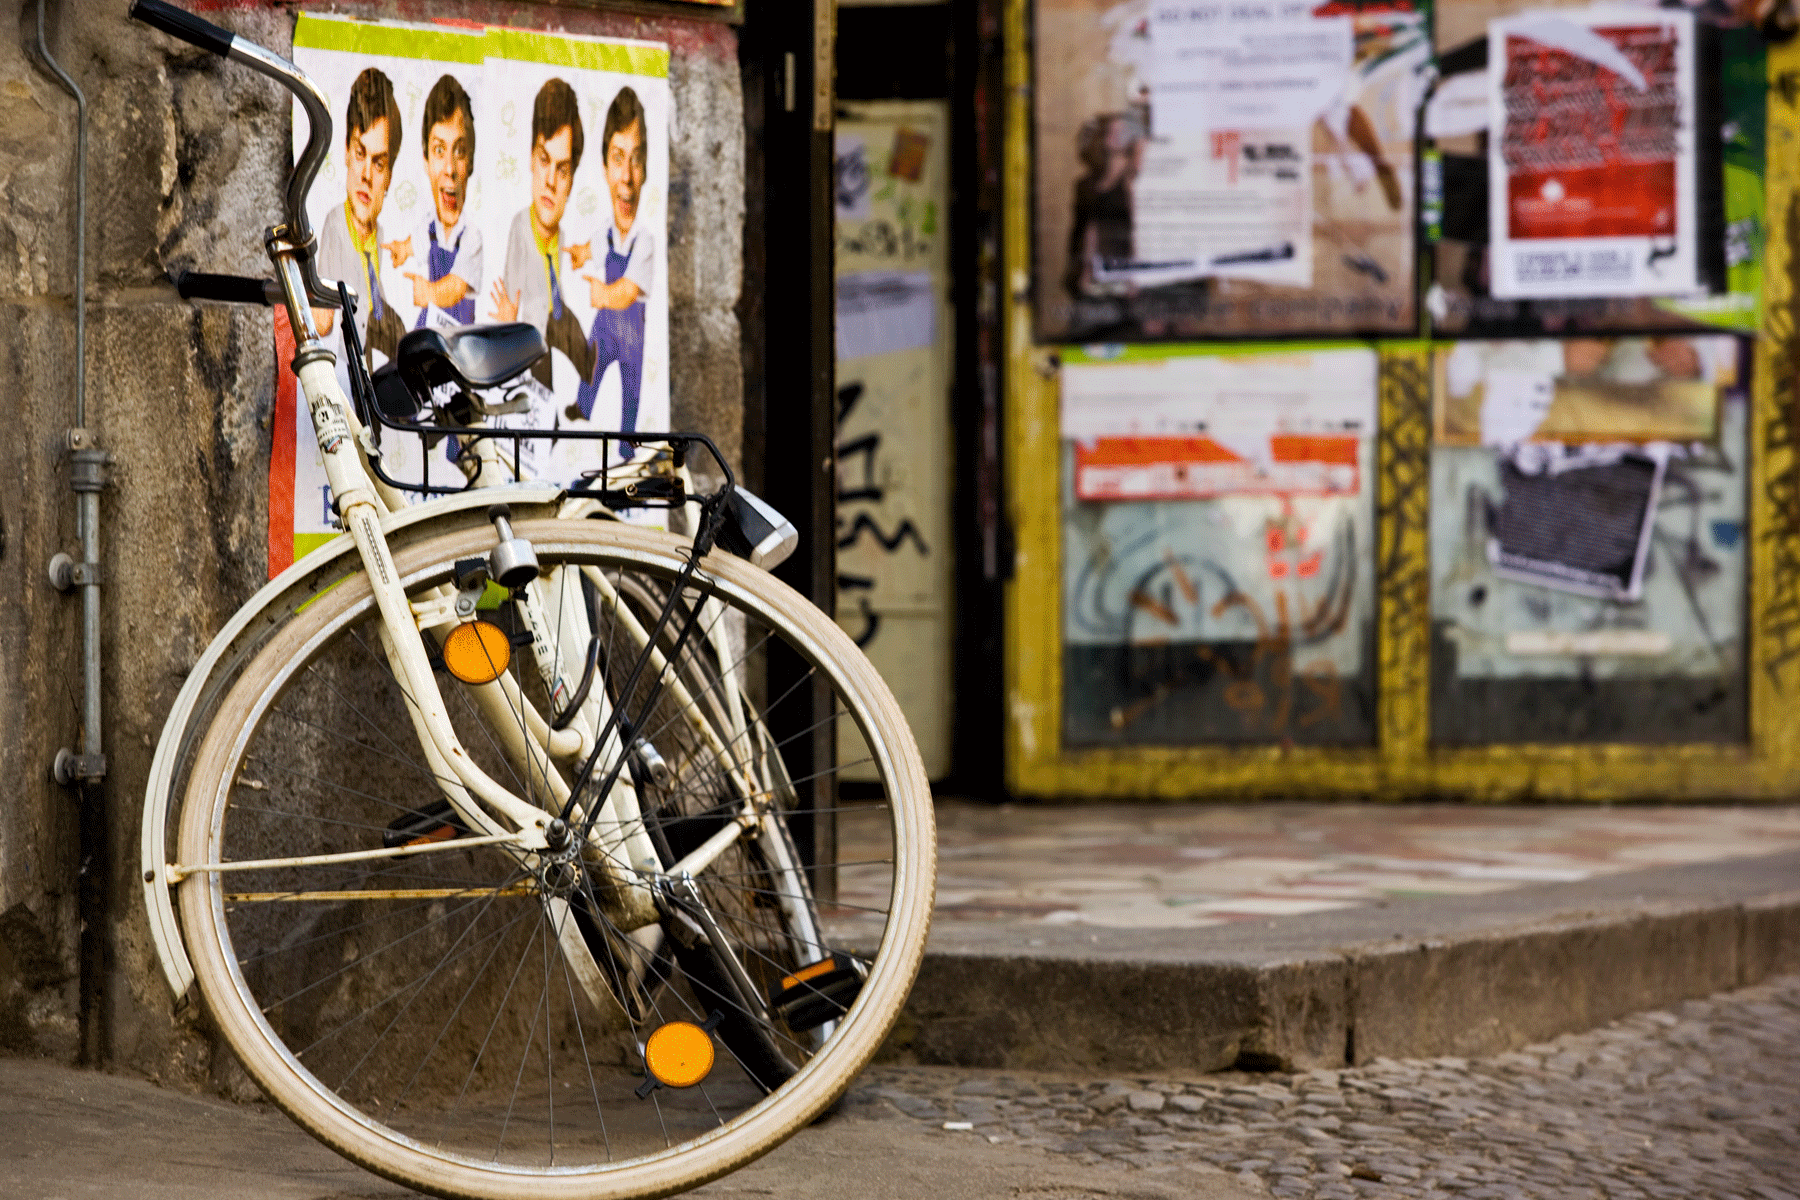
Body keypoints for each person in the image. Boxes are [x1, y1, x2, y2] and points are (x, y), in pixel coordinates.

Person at [489, 78, 595, 391]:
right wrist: (511, 317)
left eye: (562, 170)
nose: (550, 181)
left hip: (557, 317)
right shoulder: (521, 228)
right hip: (534, 334)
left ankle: (590, 373)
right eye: (544, 160)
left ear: (573, 179)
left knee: (580, 342)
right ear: (531, 160)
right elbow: (510, 289)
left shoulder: (562, 234)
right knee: (541, 391)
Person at [570, 86, 655, 431]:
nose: (628, 177)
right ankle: (583, 406)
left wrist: (604, 295)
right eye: (619, 158)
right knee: (591, 360)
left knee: (631, 390)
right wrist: (580, 255)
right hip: (605, 326)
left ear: (646, 169)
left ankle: (626, 439)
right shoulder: (605, 231)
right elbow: (594, 249)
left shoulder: (644, 241)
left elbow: (629, 291)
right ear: (604, 167)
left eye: (636, 159)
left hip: (632, 331)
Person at [313, 67, 405, 366]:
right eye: (360, 153)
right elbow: (323, 324)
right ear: (346, 152)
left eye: (378, 163)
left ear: (389, 176)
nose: (366, 175)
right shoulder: (335, 226)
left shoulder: (384, 237)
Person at [387, 74, 482, 329]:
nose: (449, 169)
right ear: (426, 159)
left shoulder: (471, 237)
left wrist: (428, 292)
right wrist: (401, 249)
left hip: (459, 340)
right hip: (430, 329)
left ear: (470, 161)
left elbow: (456, 287)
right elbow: (414, 243)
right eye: (439, 150)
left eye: (460, 151)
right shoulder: (430, 228)